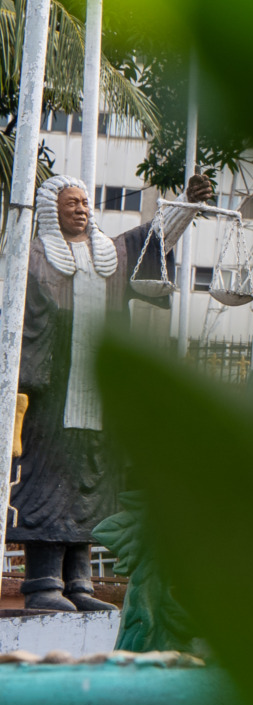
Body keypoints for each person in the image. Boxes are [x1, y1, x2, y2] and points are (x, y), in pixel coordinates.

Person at [14, 175, 179, 612]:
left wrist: (185, 208)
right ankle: (42, 582)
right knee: (49, 481)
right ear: (53, 210)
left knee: (92, 483)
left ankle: (80, 583)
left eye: (86, 202)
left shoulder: (111, 257)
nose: (82, 210)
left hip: (97, 396)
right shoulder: (34, 257)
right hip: (52, 396)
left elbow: (151, 244)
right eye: (72, 203)